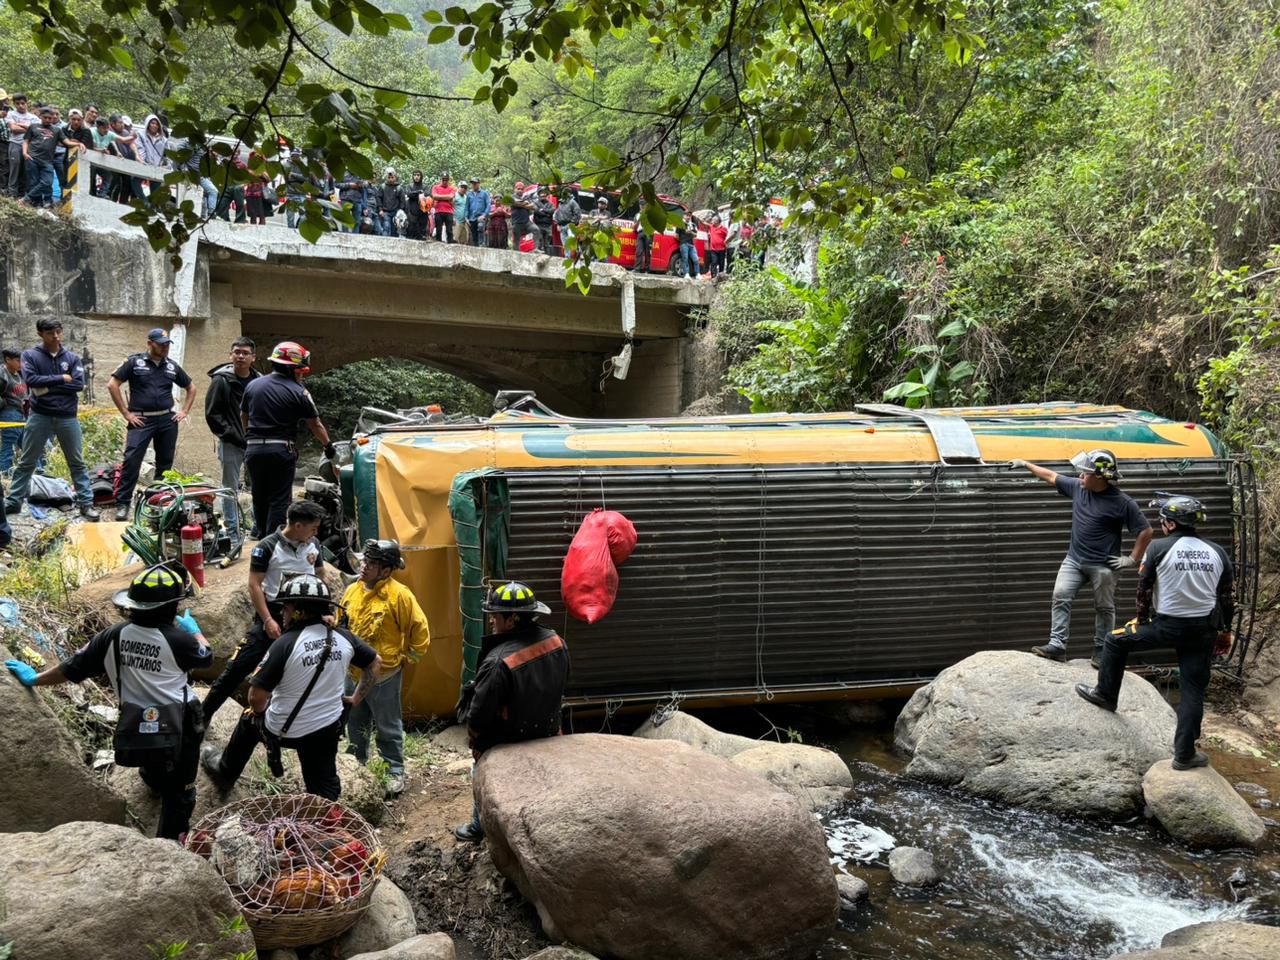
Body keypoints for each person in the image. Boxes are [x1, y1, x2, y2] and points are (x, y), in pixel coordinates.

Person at [5, 563, 211, 839]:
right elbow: (205, 656)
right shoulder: (179, 640)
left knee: (152, 758)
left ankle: (154, 779)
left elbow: (71, 668)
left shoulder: (111, 636)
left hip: (136, 720)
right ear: (171, 607)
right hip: (180, 723)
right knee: (181, 792)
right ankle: (170, 844)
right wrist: (195, 632)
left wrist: (34, 679)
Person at [1075, 494, 1234, 770]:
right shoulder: (1217, 551)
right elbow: (1226, 598)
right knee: (1193, 690)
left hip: (1167, 626)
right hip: (1203, 630)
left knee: (1114, 641)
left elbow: (1144, 589)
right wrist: (1225, 632)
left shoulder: (1158, 548)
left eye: (1163, 520)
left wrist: (1141, 619)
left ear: (1170, 524)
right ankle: (1184, 755)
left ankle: (1106, 694)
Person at [202, 575, 381, 800]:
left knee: (248, 720)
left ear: (299, 611)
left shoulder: (284, 644)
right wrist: (355, 698)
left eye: (286, 608)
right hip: (326, 729)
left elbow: (256, 697)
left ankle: (225, 772)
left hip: (283, 729)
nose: (282, 614)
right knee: (324, 791)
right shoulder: (344, 637)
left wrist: (259, 714)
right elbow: (375, 663)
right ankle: (324, 811)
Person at [1010, 450, 1152, 666]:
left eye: (1085, 473)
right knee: (1060, 595)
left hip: (1104, 566)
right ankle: (1057, 645)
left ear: (1100, 477)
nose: (1080, 477)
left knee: (1104, 608)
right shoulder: (1078, 488)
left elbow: (1145, 531)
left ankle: (1102, 650)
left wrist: (1132, 559)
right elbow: (1050, 476)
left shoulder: (1123, 503)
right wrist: (1026, 463)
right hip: (1074, 561)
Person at [453, 580, 569, 842]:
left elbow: (478, 716)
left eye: (495, 616)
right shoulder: (556, 641)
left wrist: (477, 743)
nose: (491, 621)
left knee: (479, 774)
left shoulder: (498, 662)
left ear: (513, 619)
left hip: (508, 740)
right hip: (549, 729)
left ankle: (478, 825)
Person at [202, 499, 326, 722]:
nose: (316, 532)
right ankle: (202, 717)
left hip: (304, 620)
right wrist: (268, 620)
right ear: (298, 525)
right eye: (313, 527)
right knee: (236, 669)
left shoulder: (314, 544)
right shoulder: (267, 547)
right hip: (273, 616)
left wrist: (323, 609)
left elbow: (320, 574)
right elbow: (254, 584)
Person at [340, 539, 430, 796]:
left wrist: (406, 659)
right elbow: (342, 624)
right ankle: (358, 765)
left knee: (387, 725)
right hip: (353, 672)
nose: (364, 566)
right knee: (355, 723)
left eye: (371, 563)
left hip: (385, 675)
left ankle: (394, 770)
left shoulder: (399, 595)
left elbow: (419, 630)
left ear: (387, 571)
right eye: (364, 561)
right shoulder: (352, 591)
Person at [4, 318, 100, 520]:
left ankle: (86, 504)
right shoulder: (30, 356)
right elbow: (31, 381)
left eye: (58, 332)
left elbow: (78, 385)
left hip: (67, 416)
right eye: (50, 333)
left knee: (77, 462)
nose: (55, 336)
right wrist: (61, 378)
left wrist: (46, 387)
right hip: (40, 416)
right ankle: (13, 503)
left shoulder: (72, 358)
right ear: (40, 334)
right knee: (27, 461)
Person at [239, 340, 336, 537]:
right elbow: (315, 425)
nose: (301, 374)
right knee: (279, 499)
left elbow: (244, 416)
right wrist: (327, 445)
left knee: (259, 495)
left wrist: (249, 436)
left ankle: (259, 536)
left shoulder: (253, 385)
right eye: (300, 369)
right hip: (280, 450)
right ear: (292, 368)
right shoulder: (299, 392)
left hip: (254, 450)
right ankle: (272, 541)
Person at [106, 328, 197, 522]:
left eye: (167, 344)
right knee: (132, 460)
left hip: (167, 420)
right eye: (160, 344)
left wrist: (184, 412)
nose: (164, 348)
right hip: (141, 419)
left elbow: (191, 387)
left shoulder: (172, 367)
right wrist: (126, 413)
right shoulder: (134, 362)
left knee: (165, 463)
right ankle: (123, 503)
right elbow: (112, 385)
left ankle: (158, 501)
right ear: (150, 343)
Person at [204, 337, 260, 540]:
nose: (240, 356)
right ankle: (232, 531)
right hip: (231, 442)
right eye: (237, 352)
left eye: (245, 353)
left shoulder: (258, 381)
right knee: (230, 487)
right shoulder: (221, 380)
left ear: (253, 357)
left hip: (256, 442)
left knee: (259, 486)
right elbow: (213, 414)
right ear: (231, 355)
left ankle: (258, 527)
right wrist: (232, 435)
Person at [21, 106, 71, 208]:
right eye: (45, 117)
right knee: (34, 182)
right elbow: (26, 141)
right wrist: (24, 153)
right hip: (32, 158)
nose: (48, 120)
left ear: (53, 118)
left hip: (47, 161)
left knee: (47, 181)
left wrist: (79, 144)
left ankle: (26, 199)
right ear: (41, 116)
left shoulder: (57, 130)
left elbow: (67, 142)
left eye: (50, 118)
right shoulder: (33, 126)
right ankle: (37, 203)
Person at [0, 349, 28, 473]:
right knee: (8, 445)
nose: (21, 363)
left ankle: (38, 470)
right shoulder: (3, 374)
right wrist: (4, 403)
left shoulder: (20, 374)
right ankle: (5, 472)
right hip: (9, 414)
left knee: (28, 445)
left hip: (21, 415)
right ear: (7, 360)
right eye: (18, 360)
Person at [5, 93, 34, 199]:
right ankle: (12, 193)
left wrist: (20, 125)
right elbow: (13, 129)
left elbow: (35, 131)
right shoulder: (11, 114)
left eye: (22, 103)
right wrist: (28, 128)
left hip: (29, 146)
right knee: (14, 168)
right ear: (14, 104)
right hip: (15, 144)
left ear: (26, 103)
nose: (20, 106)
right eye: (17, 104)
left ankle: (23, 194)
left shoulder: (33, 117)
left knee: (26, 170)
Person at [375, 167, 404, 237]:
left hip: (396, 212)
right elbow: (378, 198)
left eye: (392, 177)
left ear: (395, 177)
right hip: (385, 212)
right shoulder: (382, 187)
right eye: (389, 177)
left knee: (395, 230)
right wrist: (380, 210)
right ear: (386, 177)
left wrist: (400, 211)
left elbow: (402, 201)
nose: (390, 179)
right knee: (386, 227)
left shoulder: (399, 188)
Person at [553, 188, 581, 256]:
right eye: (563, 192)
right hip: (562, 226)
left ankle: (580, 253)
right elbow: (557, 214)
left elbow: (577, 213)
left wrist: (572, 223)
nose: (564, 194)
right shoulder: (560, 203)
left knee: (572, 240)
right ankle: (567, 257)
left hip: (570, 225)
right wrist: (557, 224)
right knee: (565, 243)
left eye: (566, 192)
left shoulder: (572, 202)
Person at [403, 170, 429, 240]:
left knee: (422, 235)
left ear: (421, 176)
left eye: (418, 175)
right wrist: (419, 192)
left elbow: (427, 195)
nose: (416, 177)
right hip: (412, 212)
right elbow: (408, 194)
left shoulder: (425, 187)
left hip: (423, 213)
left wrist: (414, 194)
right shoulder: (409, 186)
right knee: (411, 234)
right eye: (415, 175)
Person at [465, 177, 490, 247]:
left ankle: (482, 245)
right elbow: (467, 207)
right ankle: (476, 248)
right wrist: (466, 217)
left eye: (475, 183)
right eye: (472, 183)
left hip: (480, 217)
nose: (474, 185)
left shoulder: (484, 193)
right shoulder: (469, 194)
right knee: (474, 235)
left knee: (481, 228)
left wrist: (484, 215)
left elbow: (488, 205)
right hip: (472, 218)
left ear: (479, 184)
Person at [432, 172, 456, 242]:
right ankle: (438, 244)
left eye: (446, 180)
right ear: (441, 179)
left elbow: (451, 196)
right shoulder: (435, 187)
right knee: (438, 230)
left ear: (448, 180)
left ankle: (450, 244)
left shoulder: (452, 188)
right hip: (438, 211)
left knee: (449, 230)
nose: (445, 181)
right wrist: (447, 197)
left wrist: (439, 197)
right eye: (443, 180)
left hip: (449, 211)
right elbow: (434, 196)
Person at [510, 181, 534, 252]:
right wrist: (526, 204)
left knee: (535, 233)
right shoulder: (512, 197)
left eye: (522, 189)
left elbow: (532, 206)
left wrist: (522, 204)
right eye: (518, 189)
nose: (520, 190)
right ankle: (515, 255)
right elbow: (516, 203)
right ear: (515, 189)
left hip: (526, 222)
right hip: (516, 222)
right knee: (516, 241)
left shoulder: (526, 196)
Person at [532, 186, 555, 254]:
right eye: (541, 193)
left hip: (548, 226)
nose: (543, 195)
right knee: (539, 241)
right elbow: (536, 212)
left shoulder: (550, 204)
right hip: (539, 225)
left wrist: (543, 210)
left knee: (547, 244)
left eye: (544, 193)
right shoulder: (535, 203)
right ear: (539, 194)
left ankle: (547, 256)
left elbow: (552, 211)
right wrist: (547, 213)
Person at [676, 212, 699, 278]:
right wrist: (682, 240)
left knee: (696, 259)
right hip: (684, 244)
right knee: (685, 259)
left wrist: (691, 232)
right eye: (687, 215)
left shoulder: (692, 224)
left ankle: (697, 274)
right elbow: (676, 235)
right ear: (684, 216)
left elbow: (696, 235)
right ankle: (686, 274)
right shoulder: (680, 224)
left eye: (689, 216)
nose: (688, 217)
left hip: (691, 244)